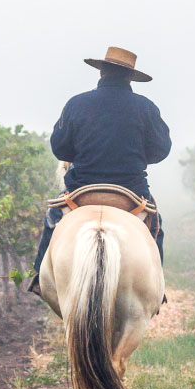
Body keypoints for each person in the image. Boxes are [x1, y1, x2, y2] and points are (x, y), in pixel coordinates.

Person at [28, 46, 171, 295]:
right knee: (155, 226)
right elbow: (161, 150)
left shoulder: (77, 103)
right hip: (132, 192)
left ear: (102, 71)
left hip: (81, 189)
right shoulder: (146, 107)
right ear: (129, 76)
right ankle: (157, 290)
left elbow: (60, 149)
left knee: (52, 219)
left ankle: (39, 277)